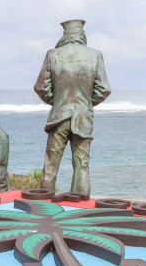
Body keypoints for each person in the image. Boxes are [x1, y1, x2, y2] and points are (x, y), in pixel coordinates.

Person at [34, 19, 111, 197]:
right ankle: (81, 206)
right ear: (81, 35)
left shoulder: (53, 54)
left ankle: (42, 206)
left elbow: (40, 87)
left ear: (65, 35)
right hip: (83, 117)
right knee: (82, 164)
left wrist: (57, 101)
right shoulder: (95, 55)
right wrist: (87, 103)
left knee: (50, 165)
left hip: (59, 116)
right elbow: (104, 89)